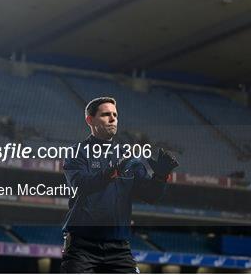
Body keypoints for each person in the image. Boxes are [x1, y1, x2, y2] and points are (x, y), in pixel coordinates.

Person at [61, 96, 179, 273]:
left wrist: (161, 176)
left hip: (118, 248)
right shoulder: (77, 153)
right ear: (90, 120)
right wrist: (112, 170)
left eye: (115, 115)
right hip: (82, 246)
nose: (112, 118)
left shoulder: (129, 157)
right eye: (106, 114)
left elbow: (151, 196)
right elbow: (80, 185)